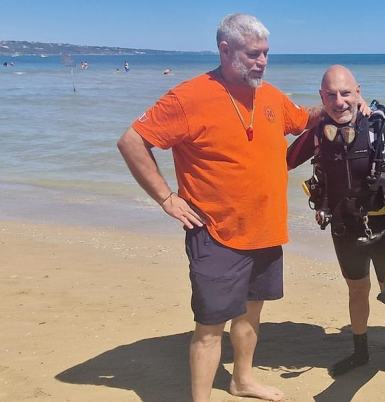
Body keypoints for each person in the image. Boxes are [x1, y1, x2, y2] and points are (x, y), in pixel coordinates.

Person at [117, 13, 327, 402]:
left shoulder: (269, 96)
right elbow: (132, 141)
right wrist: (166, 197)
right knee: (210, 325)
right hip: (215, 231)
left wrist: (339, 101)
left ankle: (242, 380)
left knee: (250, 314)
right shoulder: (188, 97)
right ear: (225, 49)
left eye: (265, 53)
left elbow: (302, 120)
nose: (261, 62)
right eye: (253, 54)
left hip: (265, 229)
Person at [286, 65, 385, 391]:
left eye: (346, 93)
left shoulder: (383, 130)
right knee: (357, 290)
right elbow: (278, 163)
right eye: (331, 95)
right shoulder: (317, 135)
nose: (339, 101)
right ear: (321, 97)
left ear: (358, 92)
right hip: (345, 229)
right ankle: (360, 352)